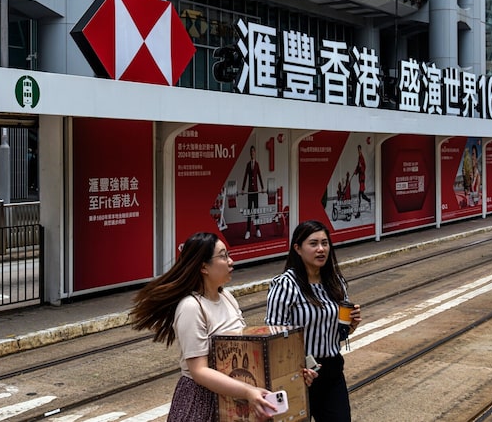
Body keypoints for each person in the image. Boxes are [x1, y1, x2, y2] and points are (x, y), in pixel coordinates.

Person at [130, 232, 276, 421]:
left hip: (233, 396)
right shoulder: (191, 307)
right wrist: (248, 391)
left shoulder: (227, 297)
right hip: (202, 402)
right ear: (204, 267)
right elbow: (198, 371)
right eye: (223, 256)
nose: (231, 261)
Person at [265, 220, 361, 422]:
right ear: (298, 248)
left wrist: (350, 327)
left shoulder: (336, 282)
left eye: (325, 243)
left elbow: (337, 332)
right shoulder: (285, 285)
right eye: (314, 243)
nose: (321, 249)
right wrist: (292, 370)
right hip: (299, 374)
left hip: (332, 371)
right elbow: (272, 336)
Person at [241, 145, 264, 240]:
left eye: (253, 152)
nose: (252, 153)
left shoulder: (257, 164)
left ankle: (258, 229)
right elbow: (245, 177)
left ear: (255, 153)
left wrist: (262, 188)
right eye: (251, 152)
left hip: (256, 191)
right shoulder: (247, 165)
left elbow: (259, 176)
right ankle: (248, 231)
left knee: (256, 211)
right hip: (250, 191)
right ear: (250, 153)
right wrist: (242, 189)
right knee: (249, 211)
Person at [353, 144, 371, 213]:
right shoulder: (359, 157)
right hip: (360, 178)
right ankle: (369, 200)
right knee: (362, 195)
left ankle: (358, 212)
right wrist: (355, 171)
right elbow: (358, 167)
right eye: (358, 150)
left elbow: (364, 168)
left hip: (362, 179)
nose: (358, 151)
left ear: (361, 150)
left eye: (359, 149)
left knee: (360, 195)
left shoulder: (362, 158)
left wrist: (360, 168)